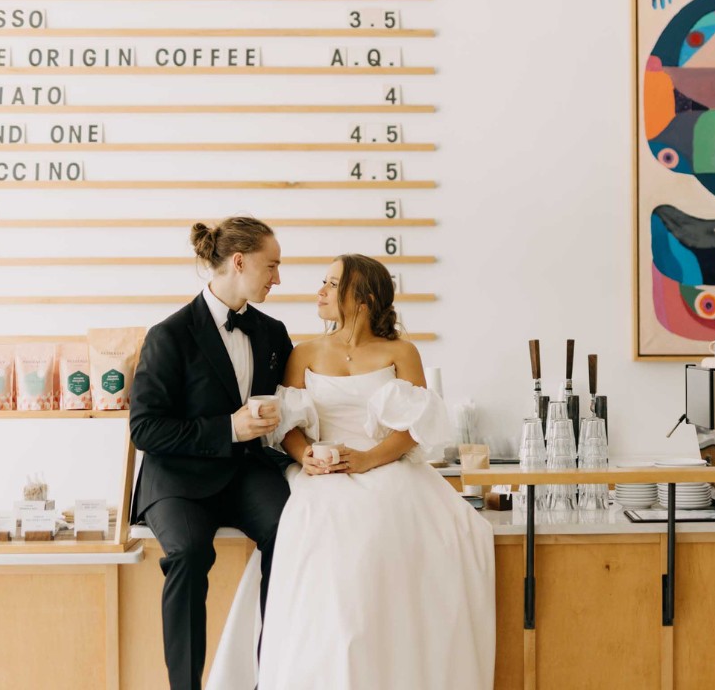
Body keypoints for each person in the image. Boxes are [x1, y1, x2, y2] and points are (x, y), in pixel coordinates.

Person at [207, 254, 496, 690]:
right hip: (322, 472)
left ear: (363, 298)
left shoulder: (402, 352)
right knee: (320, 531)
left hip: (385, 463)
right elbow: (289, 426)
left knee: (398, 525)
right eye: (323, 282)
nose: (319, 291)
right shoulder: (303, 352)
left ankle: (390, 657)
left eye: (331, 283)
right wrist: (305, 457)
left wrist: (367, 459)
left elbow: (413, 429)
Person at [129, 218, 293, 690]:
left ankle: (274, 675)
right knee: (188, 553)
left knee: (292, 534)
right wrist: (228, 428)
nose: (277, 278)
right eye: (272, 265)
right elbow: (145, 428)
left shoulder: (273, 333)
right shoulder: (169, 335)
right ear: (238, 262)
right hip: (178, 479)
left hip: (246, 473)